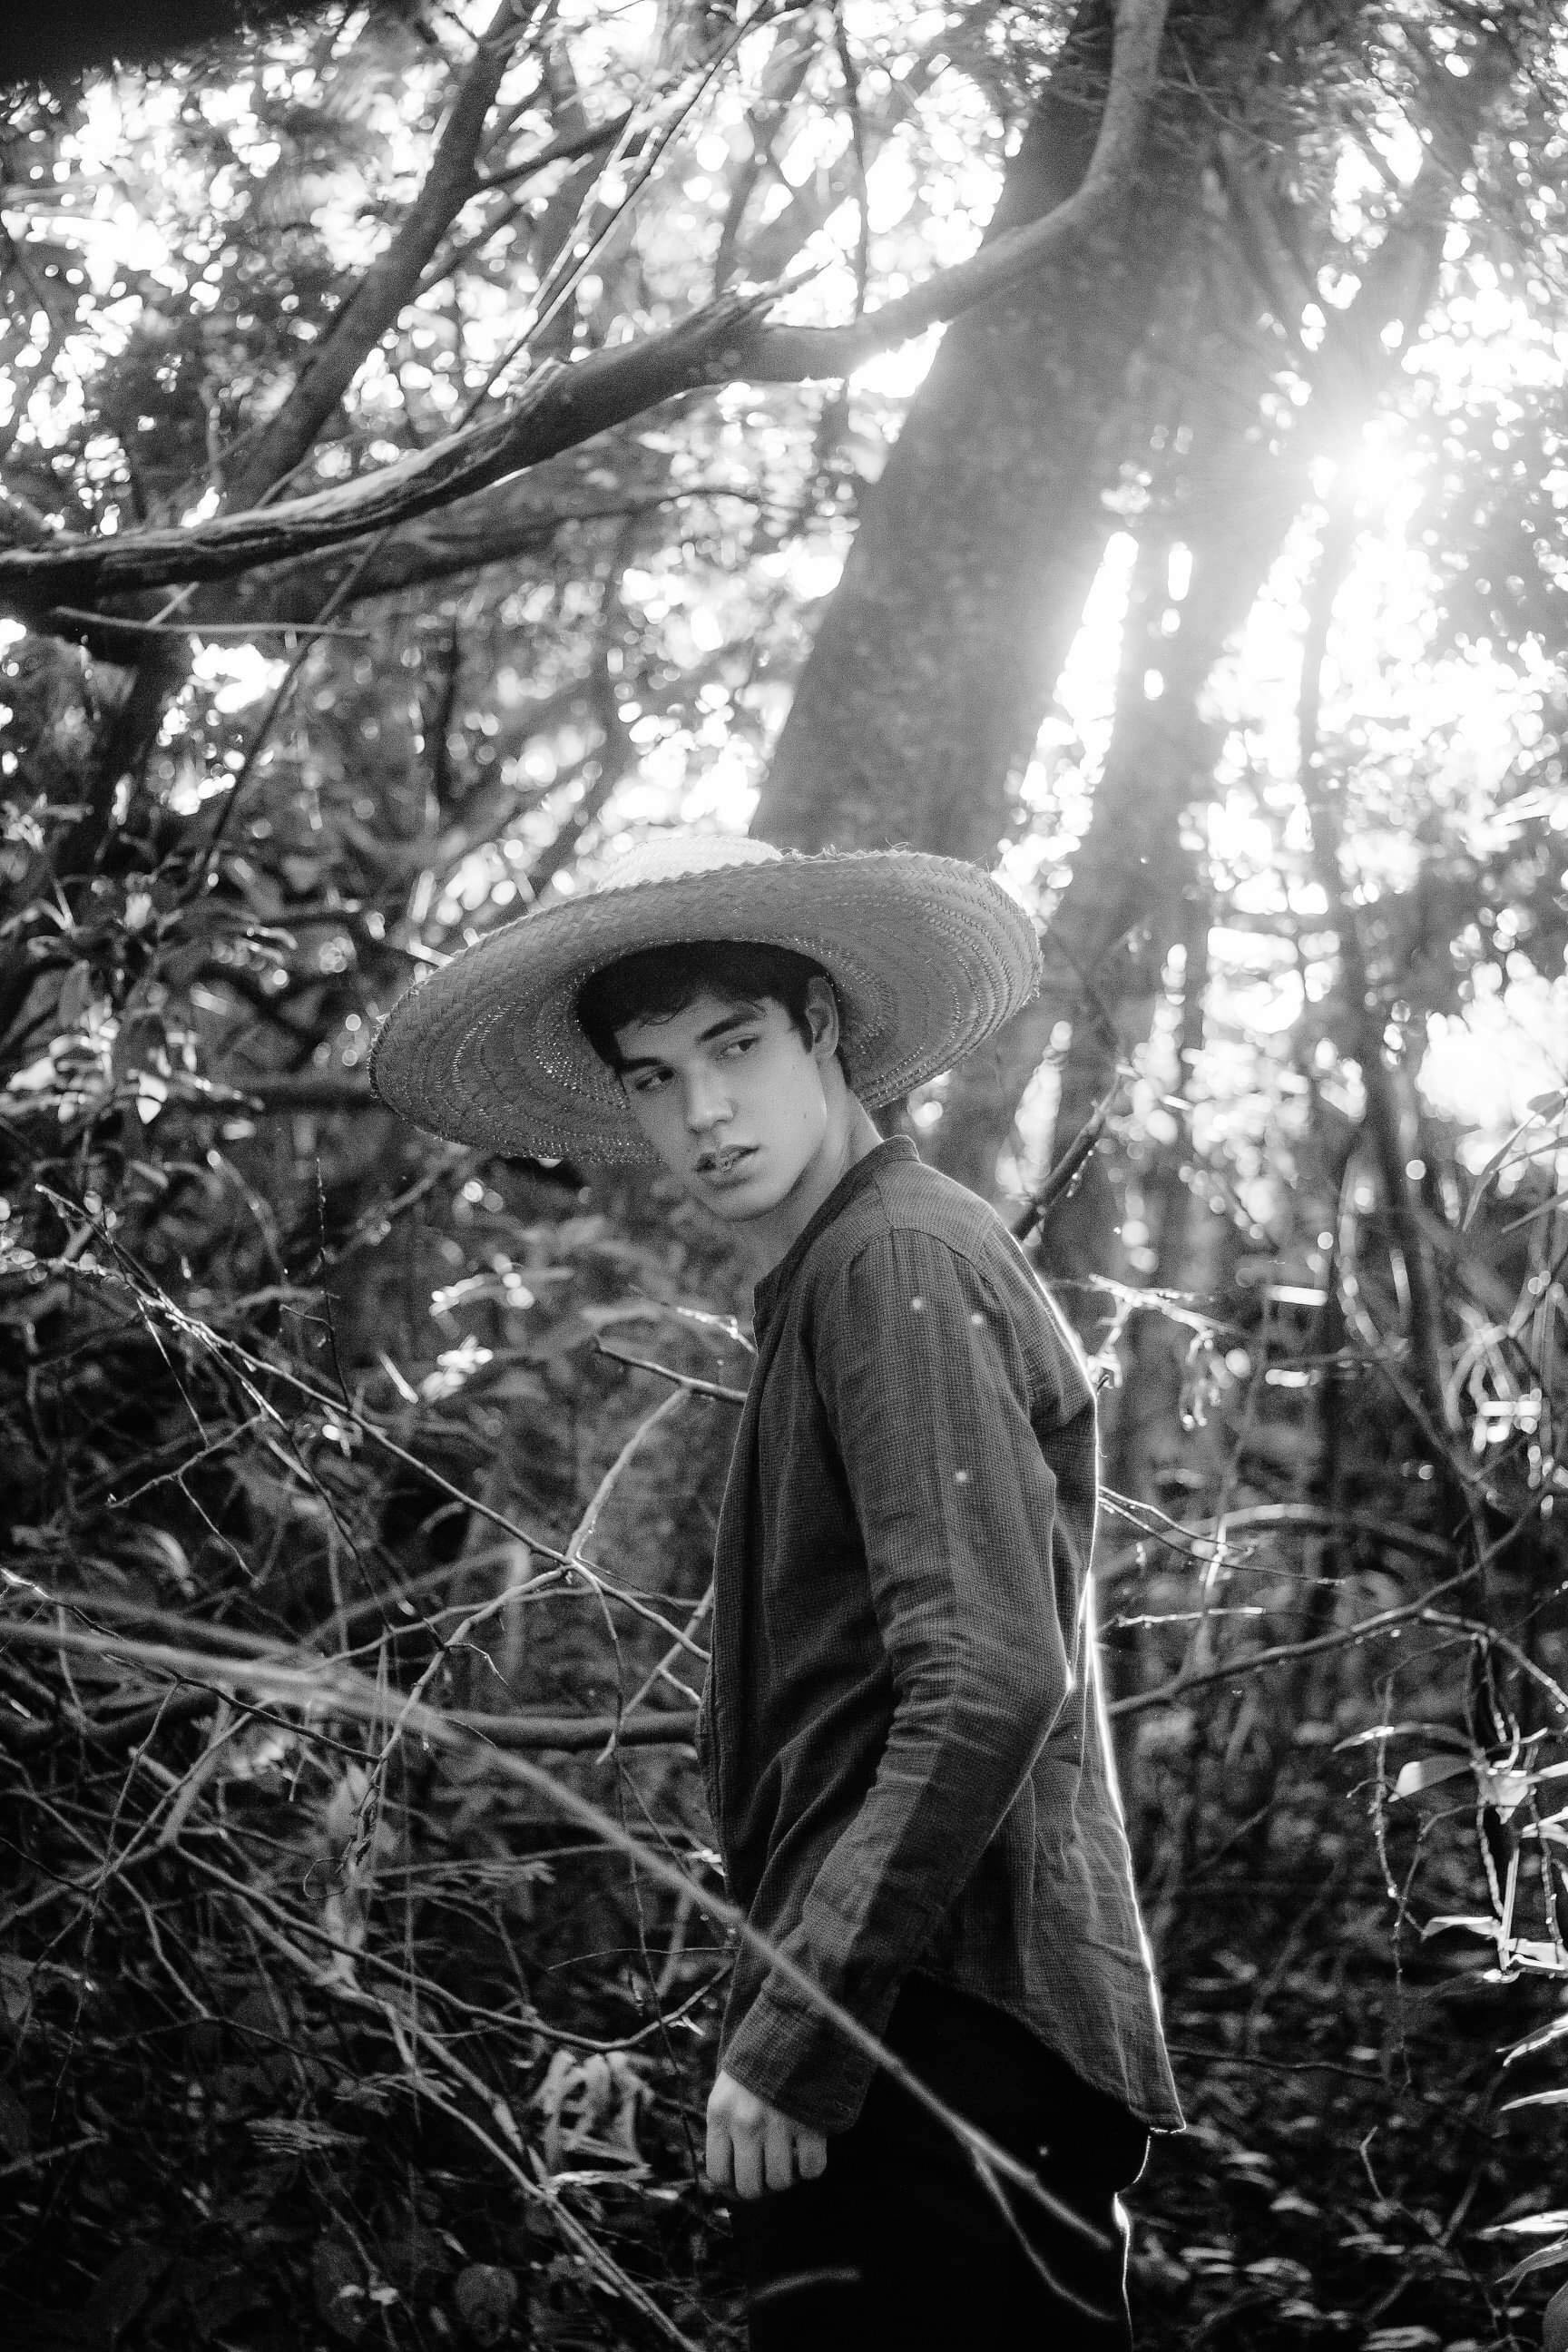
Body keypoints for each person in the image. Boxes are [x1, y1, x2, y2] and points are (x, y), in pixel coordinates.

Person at [372, 832, 1182, 2349]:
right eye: (653, 1077)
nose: (703, 1111)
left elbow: (991, 1675)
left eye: (735, 1048)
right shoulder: (841, 1270)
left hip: (950, 2024)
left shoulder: (897, 1260)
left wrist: (807, 2027)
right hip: (914, 2018)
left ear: (822, 1034)